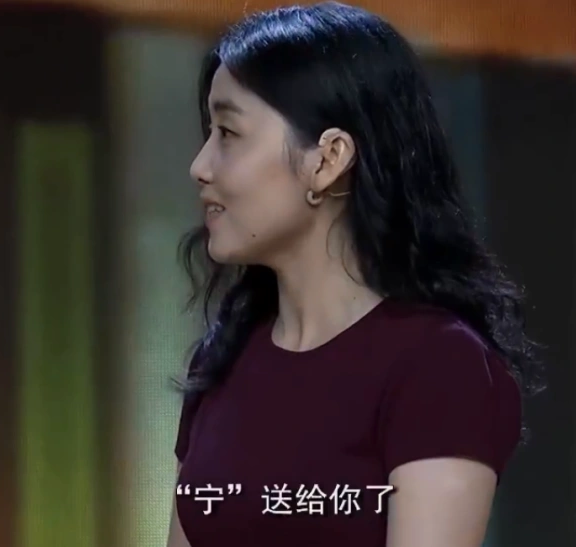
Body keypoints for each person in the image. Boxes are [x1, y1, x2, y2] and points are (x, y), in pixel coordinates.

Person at [168, 3, 542, 546]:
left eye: (228, 132)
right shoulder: (224, 356)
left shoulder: (439, 364)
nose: (200, 166)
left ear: (328, 158)